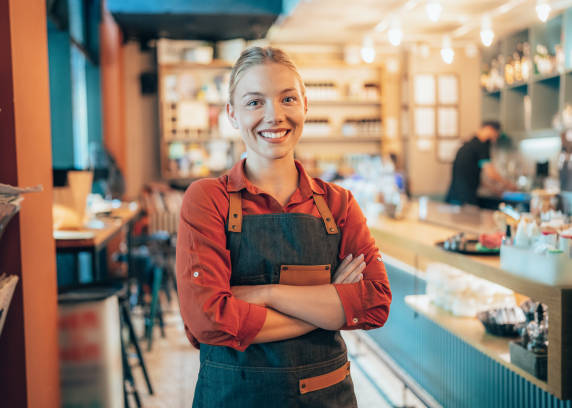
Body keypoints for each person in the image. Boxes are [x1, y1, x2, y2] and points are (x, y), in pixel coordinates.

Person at [176, 46, 392, 408]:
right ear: (232, 114)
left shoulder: (339, 203)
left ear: (305, 105)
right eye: (254, 102)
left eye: (287, 98)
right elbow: (208, 320)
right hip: (234, 397)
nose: (274, 116)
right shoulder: (206, 199)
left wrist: (267, 293)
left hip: (328, 396)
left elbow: (374, 303)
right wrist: (328, 304)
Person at [445, 121, 516, 205]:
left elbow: (471, 175)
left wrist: (493, 189)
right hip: (465, 198)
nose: (496, 137)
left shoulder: (467, 144)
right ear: (490, 129)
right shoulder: (481, 145)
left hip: (453, 196)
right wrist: (509, 185)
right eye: (496, 133)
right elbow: (491, 173)